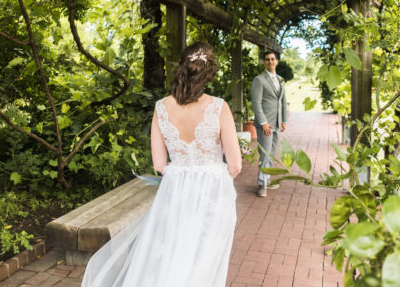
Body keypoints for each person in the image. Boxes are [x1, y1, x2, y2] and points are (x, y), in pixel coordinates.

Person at [81, 41, 242, 287]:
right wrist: (209, 174)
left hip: (174, 189)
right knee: (203, 258)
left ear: (182, 67)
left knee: (170, 252)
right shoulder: (219, 107)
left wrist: (181, 172)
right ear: (209, 73)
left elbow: (159, 164)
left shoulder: (161, 107)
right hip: (212, 191)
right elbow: (235, 165)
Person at [251, 49, 288, 197]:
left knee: (272, 154)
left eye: (272, 59)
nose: (270, 62)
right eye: (267, 59)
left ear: (276, 61)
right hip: (265, 124)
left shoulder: (281, 80)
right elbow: (256, 103)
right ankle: (262, 185)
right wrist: (263, 122)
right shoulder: (259, 80)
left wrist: (284, 120)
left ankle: (267, 179)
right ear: (264, 62)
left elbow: (283, 101)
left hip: (277, 123)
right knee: (264, 154)